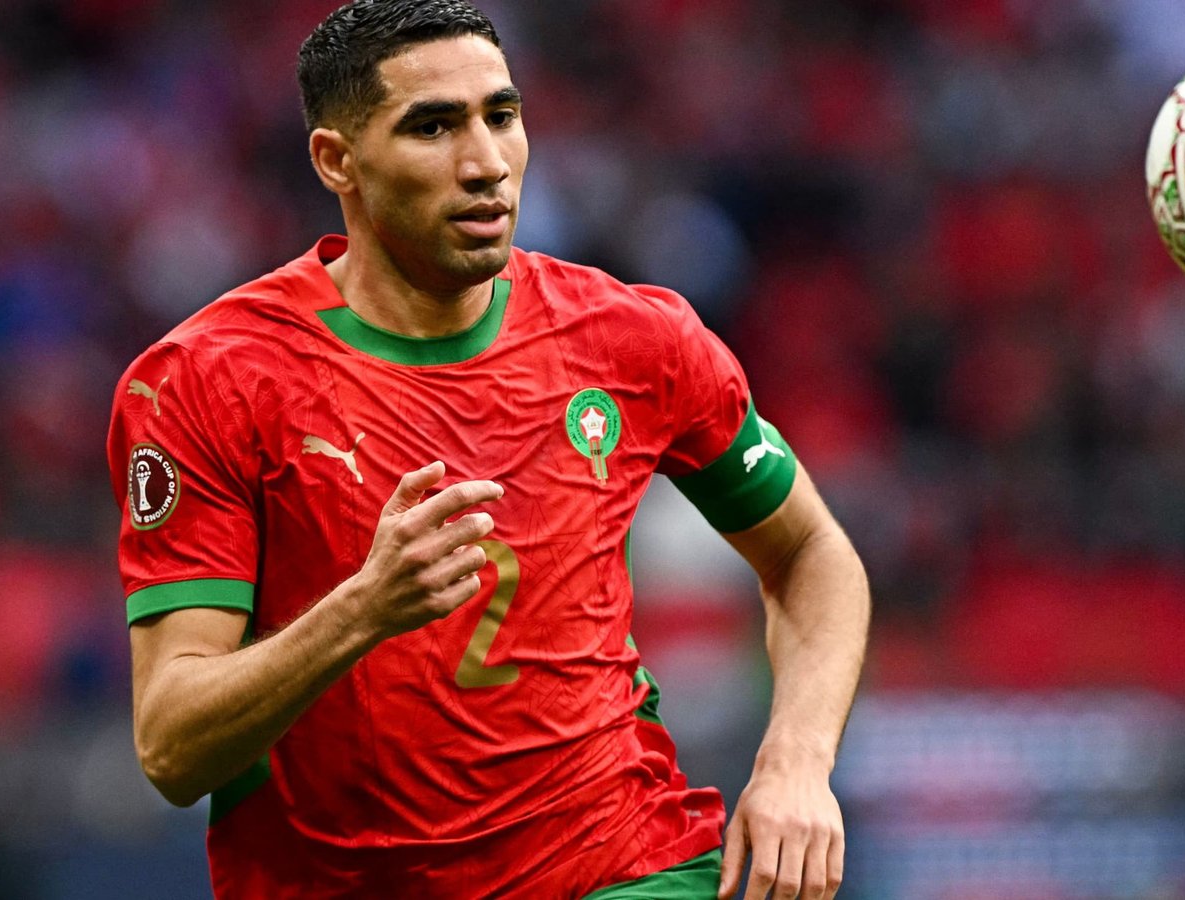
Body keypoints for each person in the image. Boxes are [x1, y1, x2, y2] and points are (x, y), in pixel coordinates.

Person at [105, 1, 871, 897]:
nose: (485, 164)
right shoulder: (209, 380)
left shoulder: (632, 338)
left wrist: (795, 765)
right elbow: (170, 745)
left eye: (500, 116)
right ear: (336, 162)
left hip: (620, 865)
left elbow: (811, 551)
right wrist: (361, 611)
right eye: (432, 127)